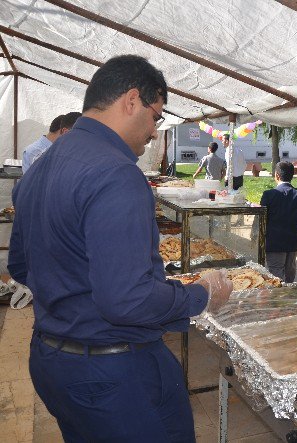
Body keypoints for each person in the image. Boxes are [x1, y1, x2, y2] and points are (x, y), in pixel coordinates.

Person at [8, 55, 233, 442]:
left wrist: (75, 297)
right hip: (112, 371)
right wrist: (202, 294)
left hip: (52, 359)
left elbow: (21, 265)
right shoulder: (117, 172)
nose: (153, 132)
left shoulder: (41, 168)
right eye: (156, 116)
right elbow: (126, 300)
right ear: (132, 100)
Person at [261, 161, 297, 282]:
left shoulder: (268, 195)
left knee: (275, 275)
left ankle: (277, 299)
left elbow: (261, 219)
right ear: (292, 175)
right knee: (289, 272)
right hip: (293, 242)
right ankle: (289, 296)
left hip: (274, 243)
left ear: (276, 175)